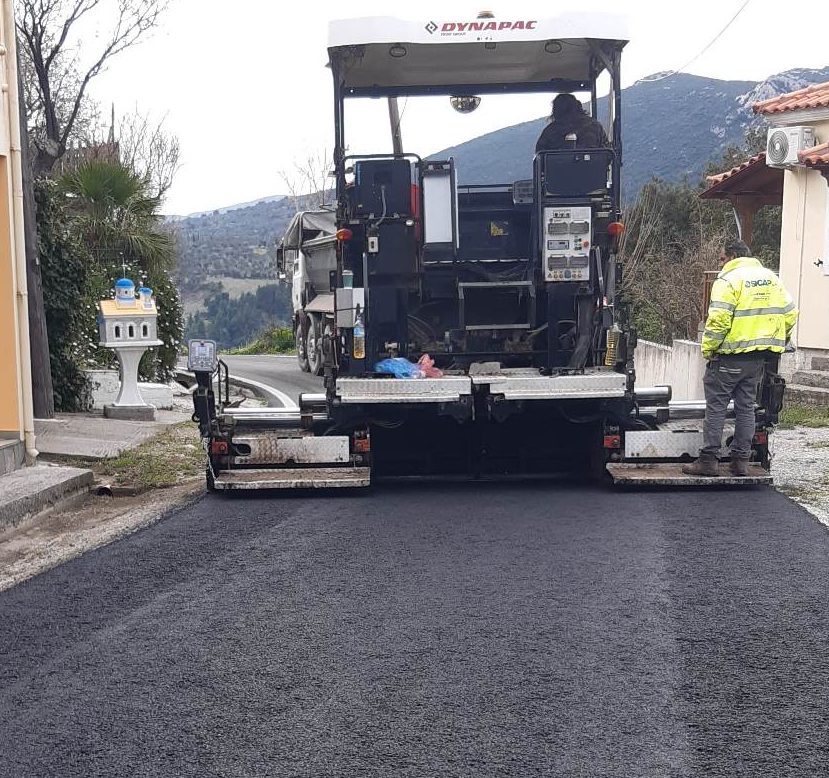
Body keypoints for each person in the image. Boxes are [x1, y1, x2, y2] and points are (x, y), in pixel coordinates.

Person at [682, 240, 798, 477]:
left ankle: (709, 461)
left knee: (716, 408)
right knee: (746, 408)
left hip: (729, 357)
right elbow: (790, 313)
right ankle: (740, 462)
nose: (720, 262)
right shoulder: (771, 278)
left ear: (733, 256)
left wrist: (709, 349)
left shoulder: (728, 281)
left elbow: (719, 320)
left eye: (722, 258)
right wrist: (778, 339)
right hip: (757, 359)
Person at [535, 93, 610, 152]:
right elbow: (607, 153)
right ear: (577, 106)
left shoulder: (550, 131)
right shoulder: (595, 126)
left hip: (559, 171)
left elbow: (539, 158)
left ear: (556, 110)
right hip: (595, 170)